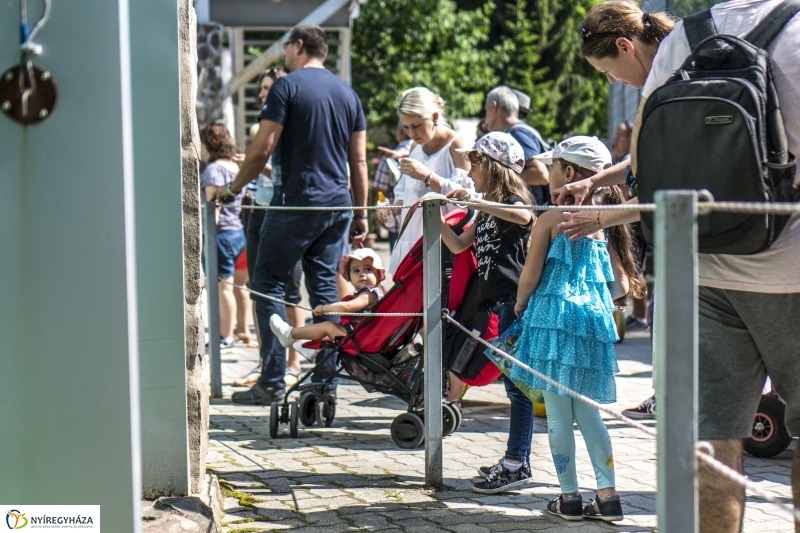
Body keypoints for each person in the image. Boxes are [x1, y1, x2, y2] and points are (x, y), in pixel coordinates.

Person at [559, 2, 800, 530]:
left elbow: (651, 164)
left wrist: (601, 197)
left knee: (714, 437)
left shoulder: (684, 37)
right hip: (789, 267)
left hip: (702, 267)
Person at [220, 24, 368, 405]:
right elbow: (360, 160)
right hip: (339, 205)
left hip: (297, 201)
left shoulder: (287, 86)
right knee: (323, 289)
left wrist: (232, 189)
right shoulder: (349, 94)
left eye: (286, 47)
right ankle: (324, 384)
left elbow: (262, 147)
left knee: (265, 282)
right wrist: (362, 213)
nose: (284, 54)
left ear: (298, 46)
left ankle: (271, 381)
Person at [513, 136, 643, 521]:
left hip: (552, 325)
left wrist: (521, 306)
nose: (549, 174)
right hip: (590, 325)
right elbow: (619, 286)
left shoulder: (551, 219)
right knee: (589, 414)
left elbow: (529, 277)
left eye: (553, 168)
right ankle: (608, 496)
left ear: (569, 173)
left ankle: (569, 497)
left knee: (556, 416)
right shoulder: (605, 226)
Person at [437, 132, 536, 494]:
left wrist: (477, 200)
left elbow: (524, 215)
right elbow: (460, 244)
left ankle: (516, 462)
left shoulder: (511, 200)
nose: (470, 171)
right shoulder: (487, 205)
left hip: (517, 302)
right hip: (499, 304)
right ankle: (516, 458)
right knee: (515, 386)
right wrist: (436, 214)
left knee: (517, 388)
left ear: (492, 167)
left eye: (475, 164)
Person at [383, 87, 475, 275]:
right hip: (411, 241)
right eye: (406, 127)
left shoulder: (457, 144)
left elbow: (469, 196)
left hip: (443, 243)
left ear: (434, 117)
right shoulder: (415, 147)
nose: (411, 133)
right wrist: (390, 210)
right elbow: (404, 192)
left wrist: (428, 176)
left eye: (416, 126)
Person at [269, 248, 386, 346]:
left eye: (368, 269)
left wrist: (324, 308)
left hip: (362, 341)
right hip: (362, 337)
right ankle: (309, 351)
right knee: (334, 327)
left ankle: (290, 334)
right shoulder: (370, 293)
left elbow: (348, 306)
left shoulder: (370, 294)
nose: (362, 274)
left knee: (328, 326)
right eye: (356, 271)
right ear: (349, 278)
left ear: (378, 274)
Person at [200, 122, 246, 351]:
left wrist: (207, 240)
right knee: (239, 287)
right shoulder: (235, 167)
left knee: (223, 289)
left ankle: (225, 337)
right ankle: (239, 331)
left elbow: (213, 207)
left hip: (222, 235)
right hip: (238, 231)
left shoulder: (213, 169)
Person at [483, 86, 549, 204]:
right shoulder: (515, 132)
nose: (485, 117)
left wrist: (501, 177)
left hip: (533, 213)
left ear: (494, 106)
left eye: (486, 110)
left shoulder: (517, 134)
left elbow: (542, 175)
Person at [373, 122, 411, 250]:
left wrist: (379, 214)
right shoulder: (427, 155)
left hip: (396, 223)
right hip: (425, 222)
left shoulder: (390, 158)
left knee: (398, 267)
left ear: (400, 133)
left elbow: (381, 192)